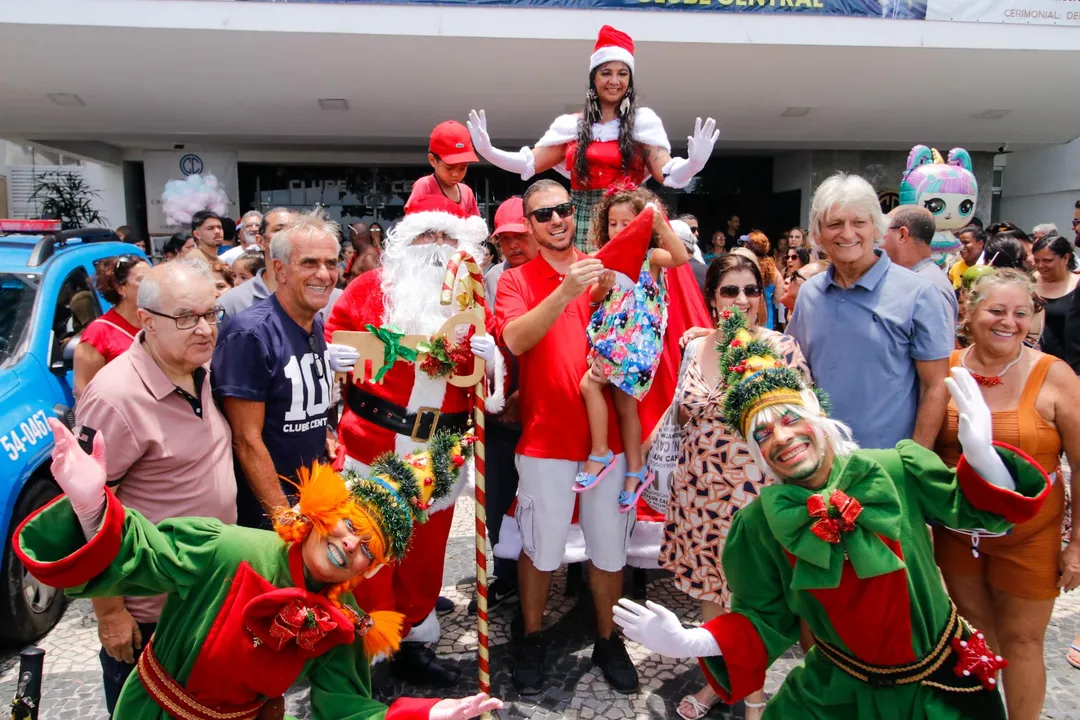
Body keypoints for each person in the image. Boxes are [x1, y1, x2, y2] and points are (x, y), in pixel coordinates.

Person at [612, 310, 1054, 720]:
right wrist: (691, 641)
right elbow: (761, 619)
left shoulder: (893, 468)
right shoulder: (760, 525)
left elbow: (982, 514)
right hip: (837, 691)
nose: (781, 438)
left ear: (817, 416)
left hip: (943, 686)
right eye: (762, 434)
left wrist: (984, 459)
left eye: (790, 418)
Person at [17, 419, 502, 720]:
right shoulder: (227, 548)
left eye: (367, 549)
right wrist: (90, 508)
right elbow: (141, 554)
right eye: (349, 525)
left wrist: (425, 715)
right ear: (324, 511)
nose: (350, 543)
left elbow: (344, 708)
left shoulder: (347, 624)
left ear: (371, 569)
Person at [325, 193, 504, 688]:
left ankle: (414, 641)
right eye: (427, 235)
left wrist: (491, 358)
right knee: (367, 554)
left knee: (425, 556)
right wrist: (331, 360)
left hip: (438, 455)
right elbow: (334, 347)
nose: (437, 246)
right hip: (371, 447)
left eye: (447, 236)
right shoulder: (366, 289)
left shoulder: (472, 297)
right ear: (406, 242)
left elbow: (483, 390)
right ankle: (370, 651)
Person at [73, 259, 236, 716]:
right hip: (150, 615)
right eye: (186, 318)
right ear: (146, 321)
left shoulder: (198, 369)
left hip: (206, 597)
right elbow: (87, 509)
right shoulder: (115, 396)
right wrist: (109, 613)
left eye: (210, 314)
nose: (204, 329)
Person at [496, 179, 637, 695]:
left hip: (610, 445)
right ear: (529, 226)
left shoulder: (606, 264)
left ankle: (607, 638)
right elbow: (514, 338)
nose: (556, 219)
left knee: (609, 550)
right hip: (545, 440)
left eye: (563, 209)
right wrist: (565, 290)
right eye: (543, 214)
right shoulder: (516, 280)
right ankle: (531, 637)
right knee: (540, 548)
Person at [660, 255, 809, 720]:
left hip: (754, 495)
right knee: (711, 595)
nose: (741, 300)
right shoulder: (695, 348)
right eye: (730, 291)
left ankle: (754, 695)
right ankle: (716, 683)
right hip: (699, 494)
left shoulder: (781, 348)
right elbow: (682, 412)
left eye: (751, 290)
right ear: (712, 298)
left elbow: (804, 424)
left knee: (752, 598)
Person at [933, 269, 1080, 720]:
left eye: (1021, 312)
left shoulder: (1055, 375)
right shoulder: (943, 367)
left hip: (1031, 536)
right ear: (970, 311)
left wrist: (1077, 544)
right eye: (996, 310)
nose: (1008, 322)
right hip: (959, 536)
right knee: (974, 636)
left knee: (1022, 640)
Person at [469, 25, 717, 251]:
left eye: (622, 74)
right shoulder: (571, 126)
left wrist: (693, 164)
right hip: (582, 221)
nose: (614, 81)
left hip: (629, 218)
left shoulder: (644, 122)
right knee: (584, 292)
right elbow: (529, 163)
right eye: (606, 73)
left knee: (630, 292)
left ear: (630, 81)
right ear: (593, 78)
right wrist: (490, 152)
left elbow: (667, 172)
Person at [788, 173, 953, 450]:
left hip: (888, 465)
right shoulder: (809, 293)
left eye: (859, 222)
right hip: (819, 460)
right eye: (835, 224)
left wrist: (915, 461)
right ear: (817, 234)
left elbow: (936, 385)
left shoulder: (919, 293)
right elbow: (793, 366)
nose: (848, 233)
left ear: (877, 228)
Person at [213, 209, 346, 530]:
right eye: (310, 263)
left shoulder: (313, 322)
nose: (324, 274)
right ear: (280, 270)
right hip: (269, 523)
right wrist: (284, 518)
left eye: (331, 263)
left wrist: (324, 434)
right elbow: (245, 441)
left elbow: (296, 407)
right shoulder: (250, 334)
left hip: (312, 503)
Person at [575, 189, 687, 514]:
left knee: (589, 385)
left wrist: (659, 221)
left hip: (635, 344)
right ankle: (635, 472)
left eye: (629, 222)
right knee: (626, 406)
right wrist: (604, 284)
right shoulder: (604, 255)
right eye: (613, 222)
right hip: (614, 339)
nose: (620, 228)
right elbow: (594, 299)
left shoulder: (651, 255)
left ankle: (600, 452)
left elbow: (679, 257)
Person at [73, 254, 150, 399]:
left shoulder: (159, 321)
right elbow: (84, 392)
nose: (152, 285)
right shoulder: (98, 333)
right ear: (120, 288)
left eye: (152, 279)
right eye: (142, 280)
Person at [883, 205, 959, 321]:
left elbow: (939, 338)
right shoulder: (910, 277)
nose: (878, 238)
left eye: (883, 229)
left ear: (902, 235)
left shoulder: (931, 287)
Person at [405, 120, 481, 218]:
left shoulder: (467, 192)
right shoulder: (425, 185)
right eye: (449, 168)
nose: (456, 174)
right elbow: (412, 222)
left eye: (462, 168)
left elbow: (474, 225)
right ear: (432, 160)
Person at [1032, 234, 1078, 361]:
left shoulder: (1077, 286)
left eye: (1047, 261)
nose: (1040, 266)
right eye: (1036, 261)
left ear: (1065, 258)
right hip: (1034, 360)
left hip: (1069, 362)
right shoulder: (1030, 282)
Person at [743, 231, 783, 330]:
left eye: (745, 244)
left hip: (746, 314)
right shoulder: (773, 269)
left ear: (749, 247)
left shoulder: (745, 266)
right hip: (767, 317)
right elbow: (778, 297)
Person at [949, 224, 986, 289]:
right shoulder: (955, 268)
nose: (961, 247)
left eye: (966, 242)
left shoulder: (989, 267)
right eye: (960, 243)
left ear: (980, 244)